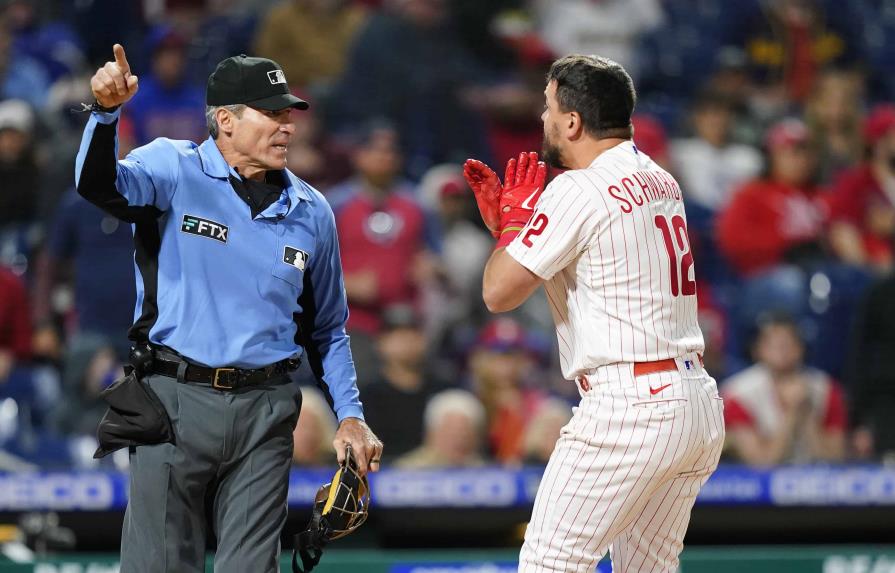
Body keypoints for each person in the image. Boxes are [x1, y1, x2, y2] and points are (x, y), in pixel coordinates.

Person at [77, 45, 382, 572]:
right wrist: (106, 116)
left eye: (289, 114)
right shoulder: (173, 167)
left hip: (265, 411)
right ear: (226, 120)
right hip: (174, 401)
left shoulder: (312, 212)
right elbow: (99, 186)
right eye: (272, 113)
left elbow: (328, 329)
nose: (287, 126)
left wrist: (351, 414)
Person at [463, 54, 724, 572]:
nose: (542, 119)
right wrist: (513, 236)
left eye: (548, 108)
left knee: (549, 563)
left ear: (573, 122)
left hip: (630, 406)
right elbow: (593, 261)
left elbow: (497, 293)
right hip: (692, 401)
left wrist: (516, 225)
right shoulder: (660, 179)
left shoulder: (576, 188)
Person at [721, 314, 847, 465]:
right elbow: (762, 462)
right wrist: (792, 413)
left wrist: (806, 414)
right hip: (756, 486)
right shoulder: (736, 394)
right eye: (773, 345)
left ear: (801, 348)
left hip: (814, 480)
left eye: (788, 343)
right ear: (757, 350)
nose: (782, 351)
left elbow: (834, 460)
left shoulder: (827, 389)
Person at [394, 388, 488, 468]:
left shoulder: (485, 471)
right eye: (451, 433)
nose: (459, 441)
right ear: (431, 434)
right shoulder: (407, 470)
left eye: (465, 434)